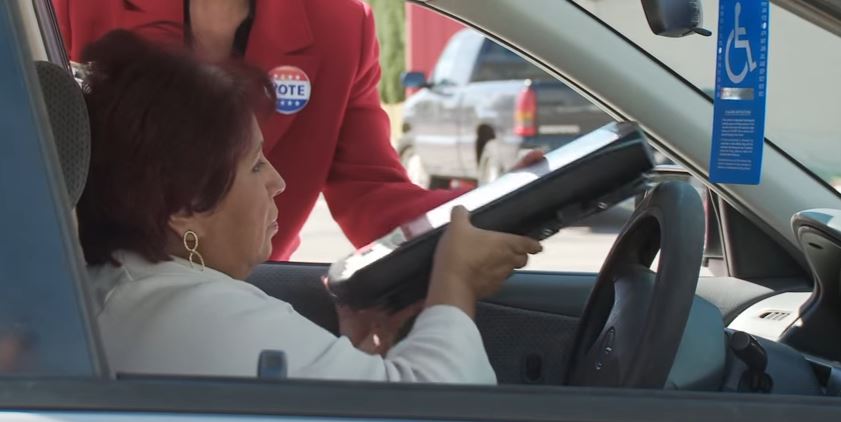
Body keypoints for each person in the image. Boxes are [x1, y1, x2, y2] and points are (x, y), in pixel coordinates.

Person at [78, 30, 542, 382]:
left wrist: (354, 361)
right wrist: (455, 286)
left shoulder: (134, 291)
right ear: (185, 207)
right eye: (256, 165)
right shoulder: (195, 313)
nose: (278, 182)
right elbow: (435, 408)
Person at [53, 0, 469, 261]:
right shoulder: (75, 6)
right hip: (98, 289)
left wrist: (492, 210)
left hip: (250, 293)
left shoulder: (340, 24)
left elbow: (373, 194)